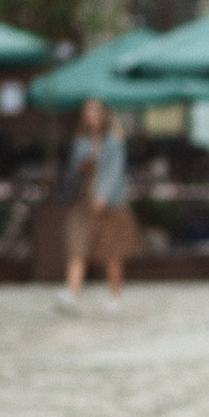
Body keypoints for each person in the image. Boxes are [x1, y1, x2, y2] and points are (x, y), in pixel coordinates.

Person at [59, 98, 140, 312]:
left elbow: (115, 173)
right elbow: (73, 171)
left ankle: (115, 294)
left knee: (111, 251)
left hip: (109, 205)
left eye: (95, 112)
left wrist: (103, 196)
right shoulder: (81, 143)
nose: (91, 116)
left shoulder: (114, 142)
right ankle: (72, 291)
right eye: (88, 112)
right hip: (83, 202)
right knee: (77, 246)